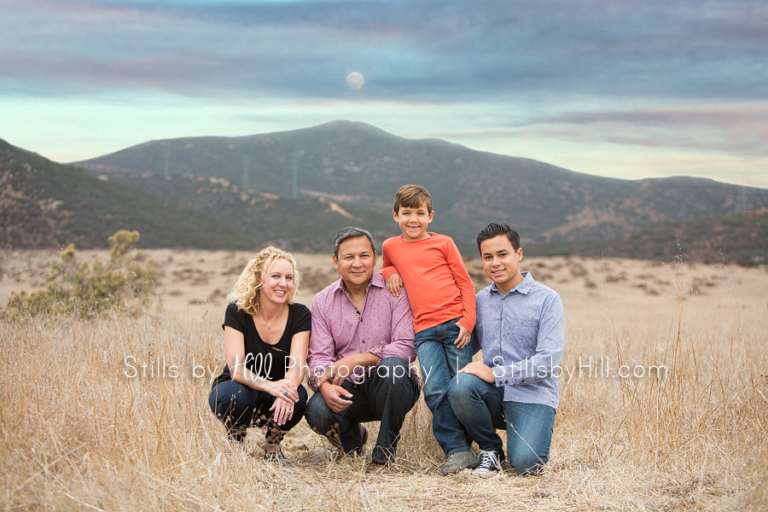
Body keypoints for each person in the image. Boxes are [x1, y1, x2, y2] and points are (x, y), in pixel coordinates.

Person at [448, 223, 565, 477]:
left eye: (502, 254)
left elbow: (547, 363)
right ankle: (491, 449)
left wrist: (496, 374)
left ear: (518, 254)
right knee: (460, 385)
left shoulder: (547, 299)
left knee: (526, 464)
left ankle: (524, 435)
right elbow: (463, 344)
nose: (495, 263)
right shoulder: (479, 301)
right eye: (487, 257)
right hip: (493, 395)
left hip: (532, 395)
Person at [305, 226, 420, 473]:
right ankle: (353, 439)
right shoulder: (322, 302)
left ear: (375, 257)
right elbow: (318, 357)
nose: (357, 264)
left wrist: (357, 359)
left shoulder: (396, 291)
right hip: (348, 391)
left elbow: (407, 346)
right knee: (316, 411)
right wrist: (323, 386)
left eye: (364, 256)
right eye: (348, 257)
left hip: (391, 386)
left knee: (393, 368)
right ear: (336, 262)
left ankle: (383, 457)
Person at [381, 184, 478, 475]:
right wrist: (390, 272)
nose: (413, 219)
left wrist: (468, 322)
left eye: (420, 213)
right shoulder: (390, 246)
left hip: (454, 326)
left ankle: (480, 444)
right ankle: (457, 450)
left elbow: (465, 284)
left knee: (461, 387)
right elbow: (386, 265)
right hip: (423, 332)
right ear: (395, 215)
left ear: (431, 216)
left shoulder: (444, 243)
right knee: (435, 389)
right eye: (406, 213)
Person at [208, 246, 311, 462]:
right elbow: (236, 368)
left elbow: (297, 367)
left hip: (275, 394)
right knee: (232, 396)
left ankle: (272, 445)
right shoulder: (237, 311)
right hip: (240, 385)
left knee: (298, 396)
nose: (284, 283)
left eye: (289, 278)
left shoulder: (300, 314)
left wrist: (285, 390)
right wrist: (271, 385)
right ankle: (236, 443)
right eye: (275, 276)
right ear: (258, 278)